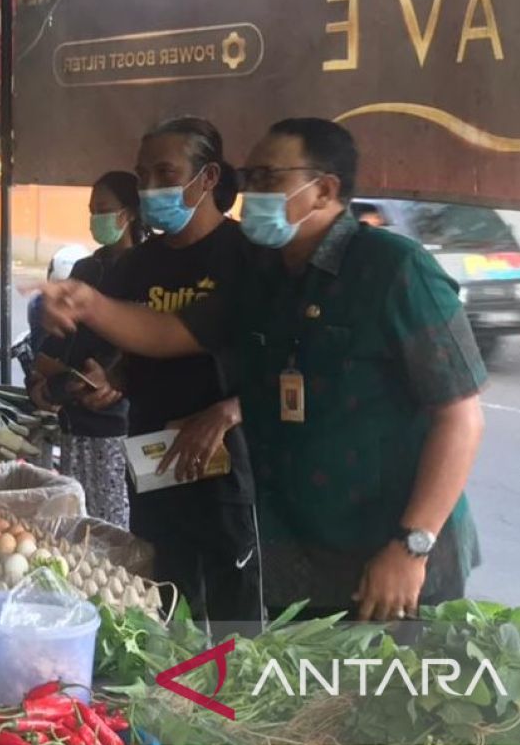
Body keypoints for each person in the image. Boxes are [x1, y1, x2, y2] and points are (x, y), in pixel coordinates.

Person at [38, 118, 485, 621]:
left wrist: (412, 545)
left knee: (391, 693)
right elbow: (169, 333)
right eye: (250, 178)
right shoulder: (263, 278)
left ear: (324, 190)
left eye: (270, 179)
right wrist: (88, 304)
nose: (251, 193)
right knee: (297, 694)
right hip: (298, 552)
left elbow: (460, 416)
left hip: (391, 555)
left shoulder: (393, 269)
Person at [109, 119, 262, 625]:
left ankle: (234, 703)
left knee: (233, 614)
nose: (150, 186)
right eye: (142, 173)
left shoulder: (249, 260)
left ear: (209, 177)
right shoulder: (137, 265)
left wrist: (230, 411)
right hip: (153, 462)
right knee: (164, 604)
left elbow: (291, 364)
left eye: (165, 172)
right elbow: (124, 357)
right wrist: (103, 382)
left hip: (227, 472)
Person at [29, 171, 144, 530]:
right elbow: (55, 343)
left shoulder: (147, 269)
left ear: (128, 214)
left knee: (116, 529)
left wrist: (113, 378)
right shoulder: (85, 267)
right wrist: (40, 380)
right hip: (73, 420)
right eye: (92, 210)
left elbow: (147, 341)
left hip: (118, 426)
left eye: (104, 209)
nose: (96, 218)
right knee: (81, 525)